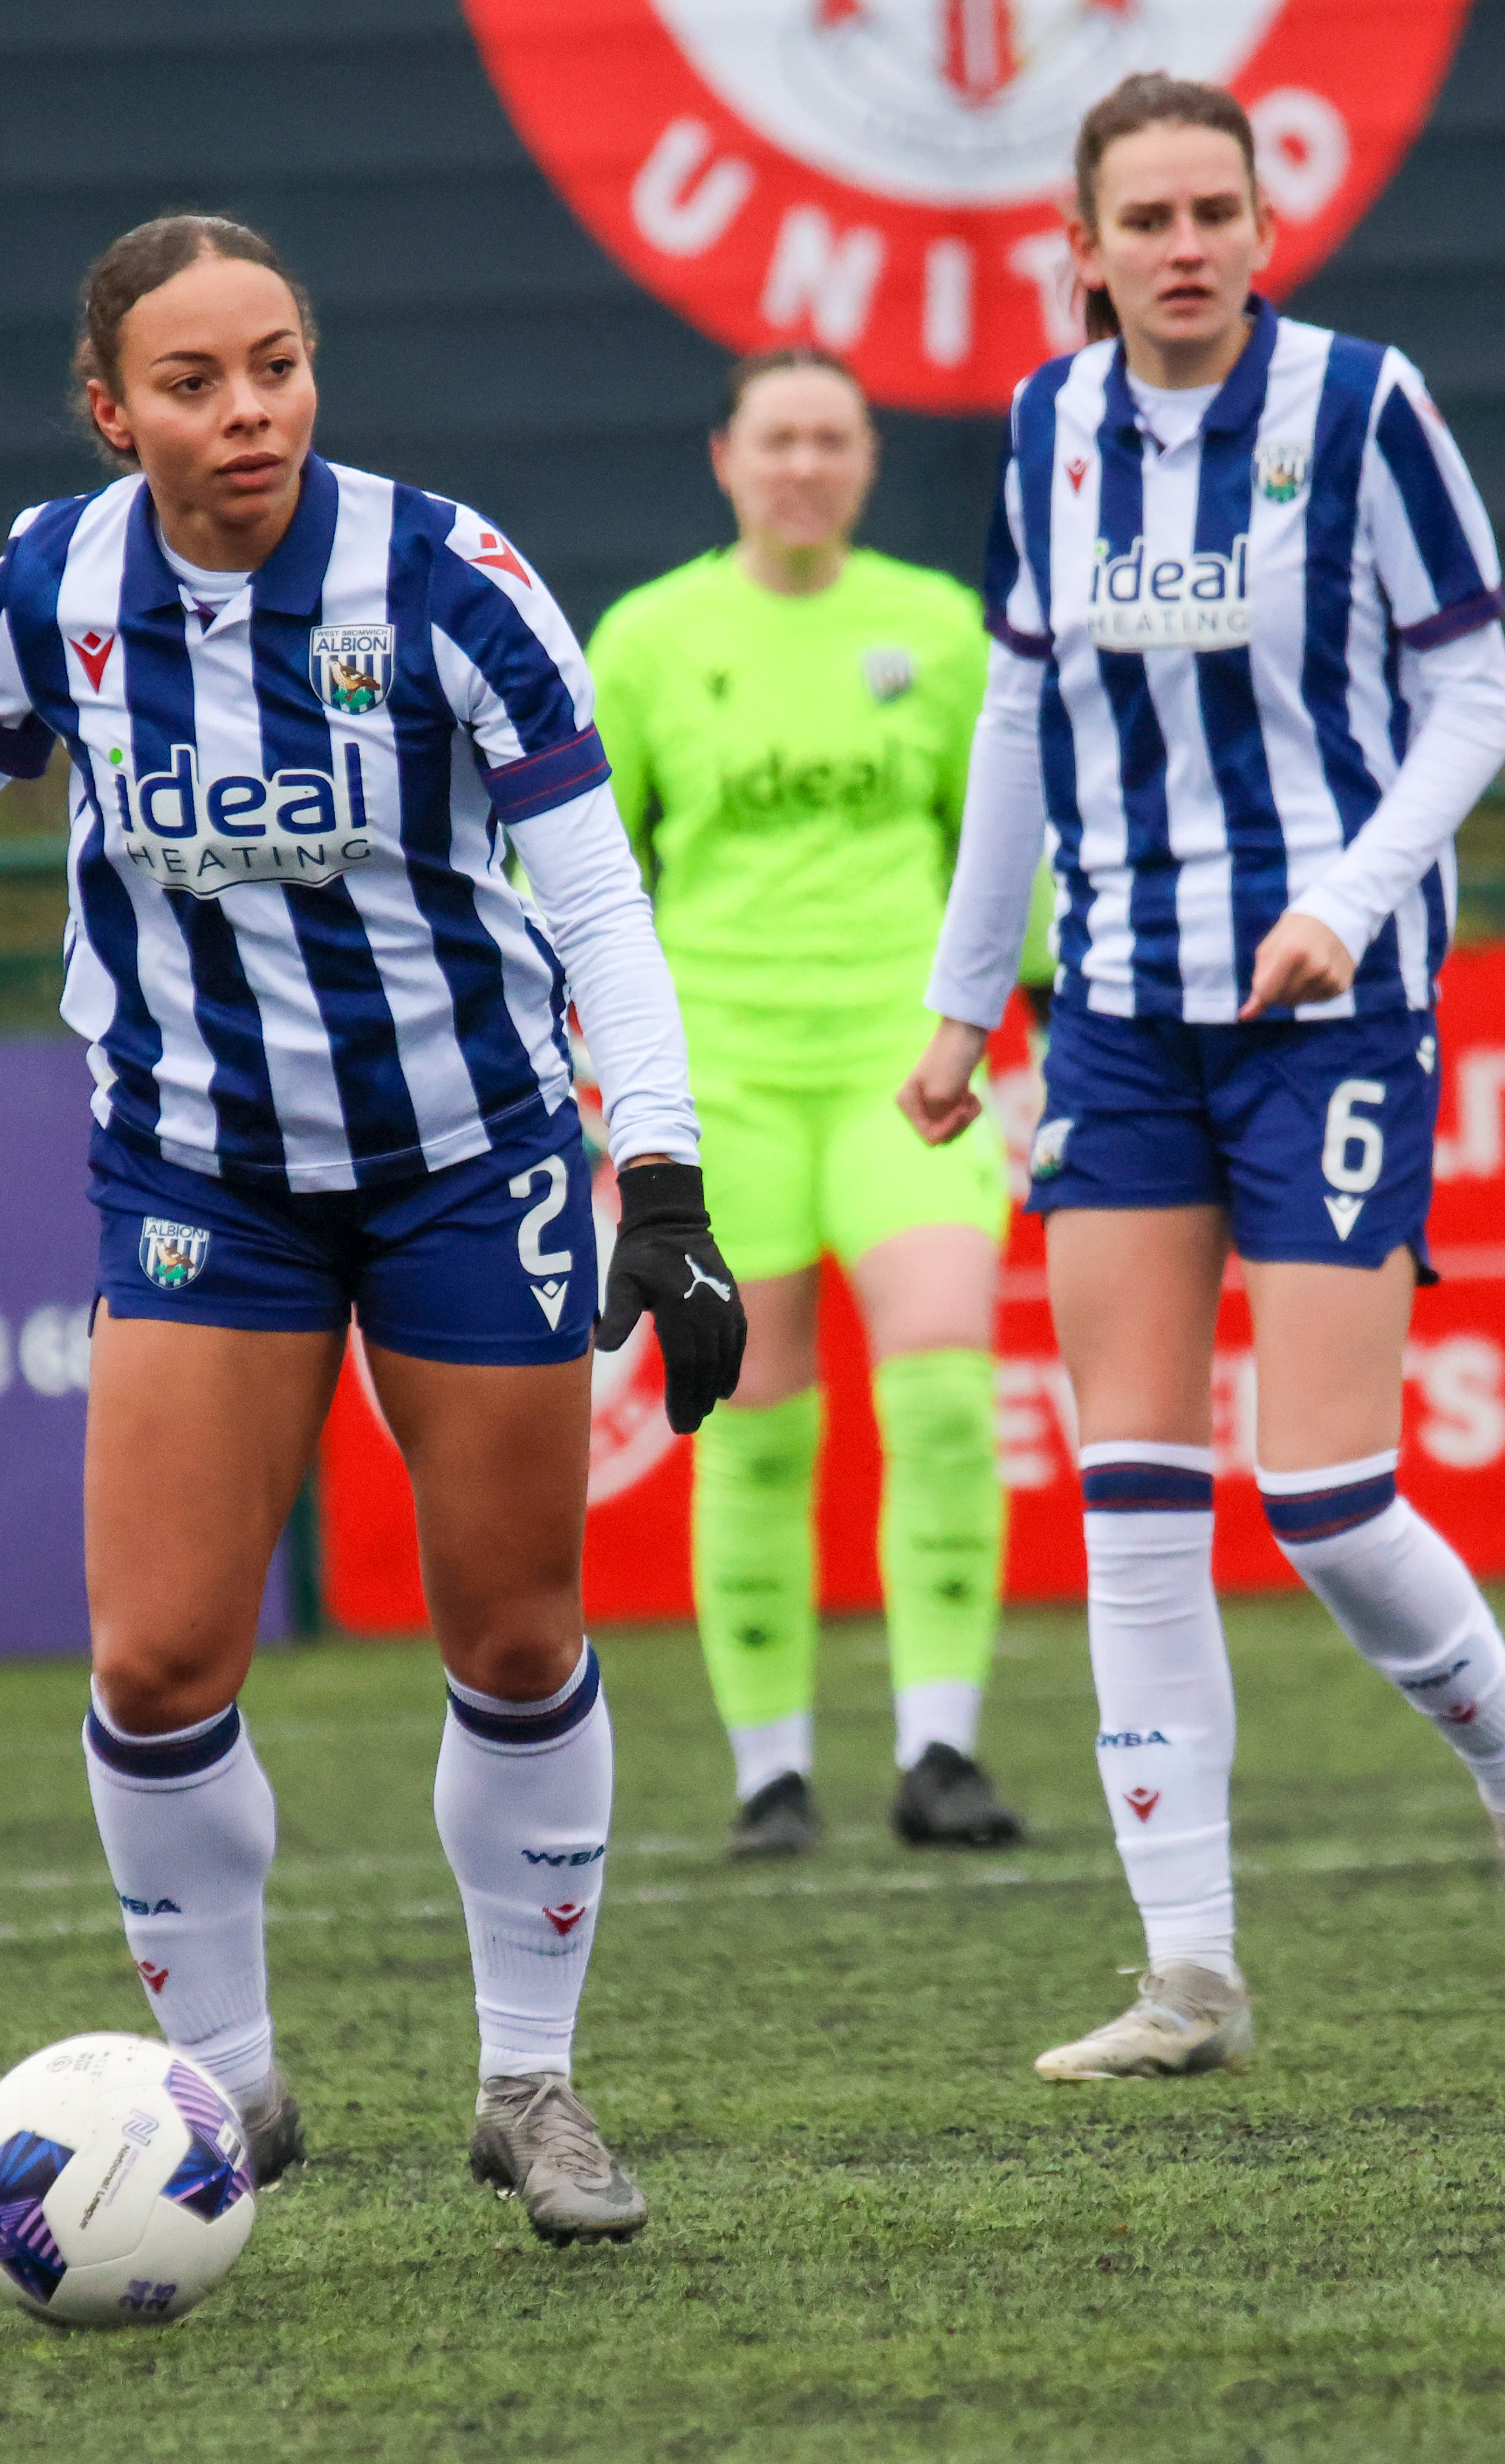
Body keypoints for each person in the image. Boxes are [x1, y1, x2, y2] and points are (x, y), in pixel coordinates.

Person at [0, 213, 746, 2239]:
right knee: (152, 1660)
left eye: (278, 366)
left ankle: (529, 2089)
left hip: (468, 1161)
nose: (249, 415)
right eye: (197, 384)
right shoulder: (65, 580)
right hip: (202, 1168)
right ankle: (221, 2085)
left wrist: (660, 1175)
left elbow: (595, 895)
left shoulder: (450, 579)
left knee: (514, 1631)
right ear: (112, 410)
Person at [900, 78, 1505, 2080]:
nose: (1188, 245)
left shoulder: (1364, 409)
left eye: (1217, 208)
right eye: (1148, 218)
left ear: (1261, 223)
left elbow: (1477, 688)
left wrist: (1349, 895)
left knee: (1320, 1492)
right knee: (1134, 1503)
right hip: (1119, 1019)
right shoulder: (1051, 432)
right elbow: (1022, 729)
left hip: (1336, 1010)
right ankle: (1191, 1976)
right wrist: (971, 1011)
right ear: (1087, 244)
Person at [585, 348, 1028, 1864]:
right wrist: (615, 1071)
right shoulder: (649, 639)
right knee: (755, 1432)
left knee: (948, 1401)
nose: (802, 465)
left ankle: (940, 1755)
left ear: (865, 457)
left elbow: (1003, 854)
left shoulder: (937, 629)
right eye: (777, 439)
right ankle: (773, 1777)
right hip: (727, 1086)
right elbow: (582, 869)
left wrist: (1012, 1022)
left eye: (830, 438)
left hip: (905, 1079)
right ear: (727, 457)